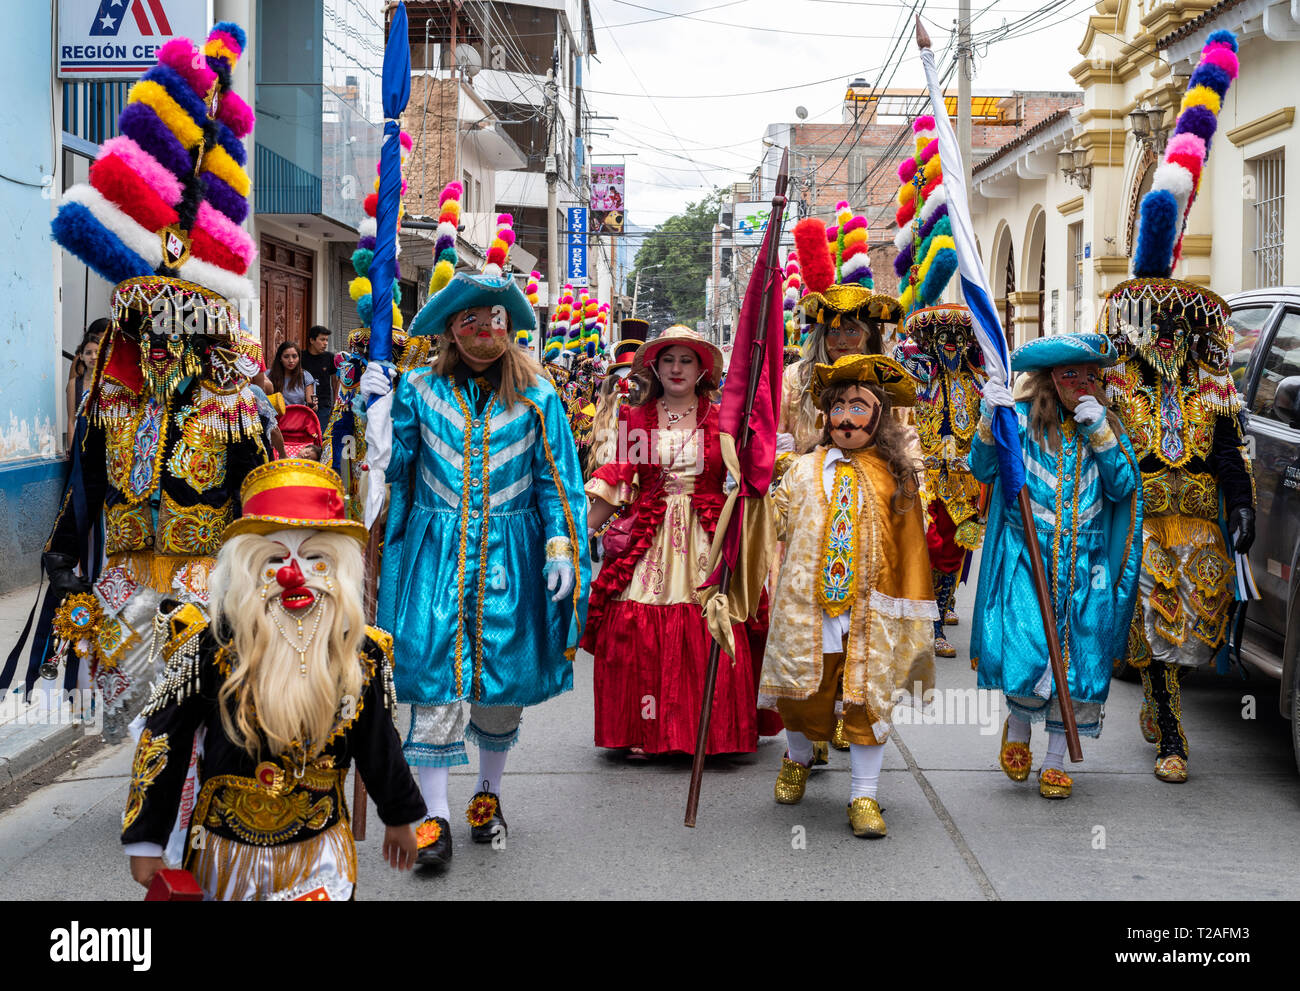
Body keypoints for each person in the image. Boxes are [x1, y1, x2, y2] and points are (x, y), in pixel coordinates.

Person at [18, 21, 269, 737]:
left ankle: (180, 792)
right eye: (145, 320)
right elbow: (87, 480)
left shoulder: (234, 400)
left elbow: (259, 493)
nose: (157, 335)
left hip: (205, 577)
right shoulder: (113, 395)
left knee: (199, 708)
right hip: (125, 570)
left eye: (172, 319)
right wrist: (65, 547)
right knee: (133, 716)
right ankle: (152, 796)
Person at [362, 252, 589, 871]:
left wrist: (562, 545)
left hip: (508, 561)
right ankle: (431, 814)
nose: (480, 335)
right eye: (467, 323)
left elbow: (558, 482)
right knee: (436, 684)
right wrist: (375, 418)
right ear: (450, 331)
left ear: (506, 325)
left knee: (498, 689)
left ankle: (487, 795)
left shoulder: (539, 398)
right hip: (436, 559)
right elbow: (391, 471)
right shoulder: (419, 390)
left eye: (490, 321)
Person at [121, 459, 425, 899]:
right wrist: (146, 839)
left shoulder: (360, 654)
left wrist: (399, 817)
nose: (293, 575)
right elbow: (165, 739)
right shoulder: (215, 646)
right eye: (277, 559)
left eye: (315, 558)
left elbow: (378, 743)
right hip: (225, 855)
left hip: (320, 856)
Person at [1097, 31, 1254, 783]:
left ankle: (1166, 704)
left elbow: (1227, 448)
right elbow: (1096, 447)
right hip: (1144, 518)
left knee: (1198, 626)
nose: (1167, 333)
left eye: (1177, 323)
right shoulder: (1117, 380)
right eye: (1156, 322)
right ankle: (1172, 732)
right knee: (1157, 628)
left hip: (1199, 516)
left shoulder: (1209, 382)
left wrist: (1243, 500)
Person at [762, 354, 934, 837]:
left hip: (869, 612)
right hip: (807, 611)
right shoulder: (801, 470)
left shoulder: (894, 478)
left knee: (866, 703)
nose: (844, 418)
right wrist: (751, 495)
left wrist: (906, 615)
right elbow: (776, 522)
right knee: (799, 696)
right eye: (837, 406)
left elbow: (908, 551)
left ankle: (863, 795)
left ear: (879, 416)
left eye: (857, 407)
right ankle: (797, 758)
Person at [972, 333, 1142, 800]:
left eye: (1091, 377)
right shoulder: (1021, 421)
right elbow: (983, 469)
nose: (1082, 384)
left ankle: (1054, 761)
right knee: (1030, 647)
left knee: (1079, 657)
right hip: (1029, 553)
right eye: (1071, 375)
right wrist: (992, 417)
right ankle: (1019, 728)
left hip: (1086, 561)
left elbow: (1122, 486)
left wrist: (1101, 435)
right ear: (1050, 380)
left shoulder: (1106, 425)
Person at [583, 325, 759, 758]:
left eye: (686, 360)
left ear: (702, 369)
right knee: (629, 624)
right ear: (656, 368)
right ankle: (642, 729)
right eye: (669, 360)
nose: (677, 368)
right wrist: (579, 530)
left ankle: (707, 733)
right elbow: (621, 477)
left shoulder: (725, 420)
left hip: (707, 538)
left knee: (713, 624)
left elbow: (746, 484)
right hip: (650, 535)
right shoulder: (636, 419)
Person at [66, 319, 107, 448]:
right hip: (83, 433)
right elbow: (72, 417)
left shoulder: (110, 378)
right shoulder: (77, 379)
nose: (93, 356)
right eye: (89, 353)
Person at [301, 325, 338, 433]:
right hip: (304, 405)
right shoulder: (301, 357)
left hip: (324, 406)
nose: (325, 343)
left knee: (321, 436)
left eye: (326, 340)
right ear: (312, 340)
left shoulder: (330, 357)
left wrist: (335, 404)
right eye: (322, 339)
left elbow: (335, 382)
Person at [271, 340, 316, 409]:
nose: (291, 360)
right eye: (286, 357)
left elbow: (311, 405)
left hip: (299, 417)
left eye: (294, 356)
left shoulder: (305, 376)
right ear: (280, 358)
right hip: (277, 418)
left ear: (299, 358)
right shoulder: (269, 375)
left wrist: (314, 405)